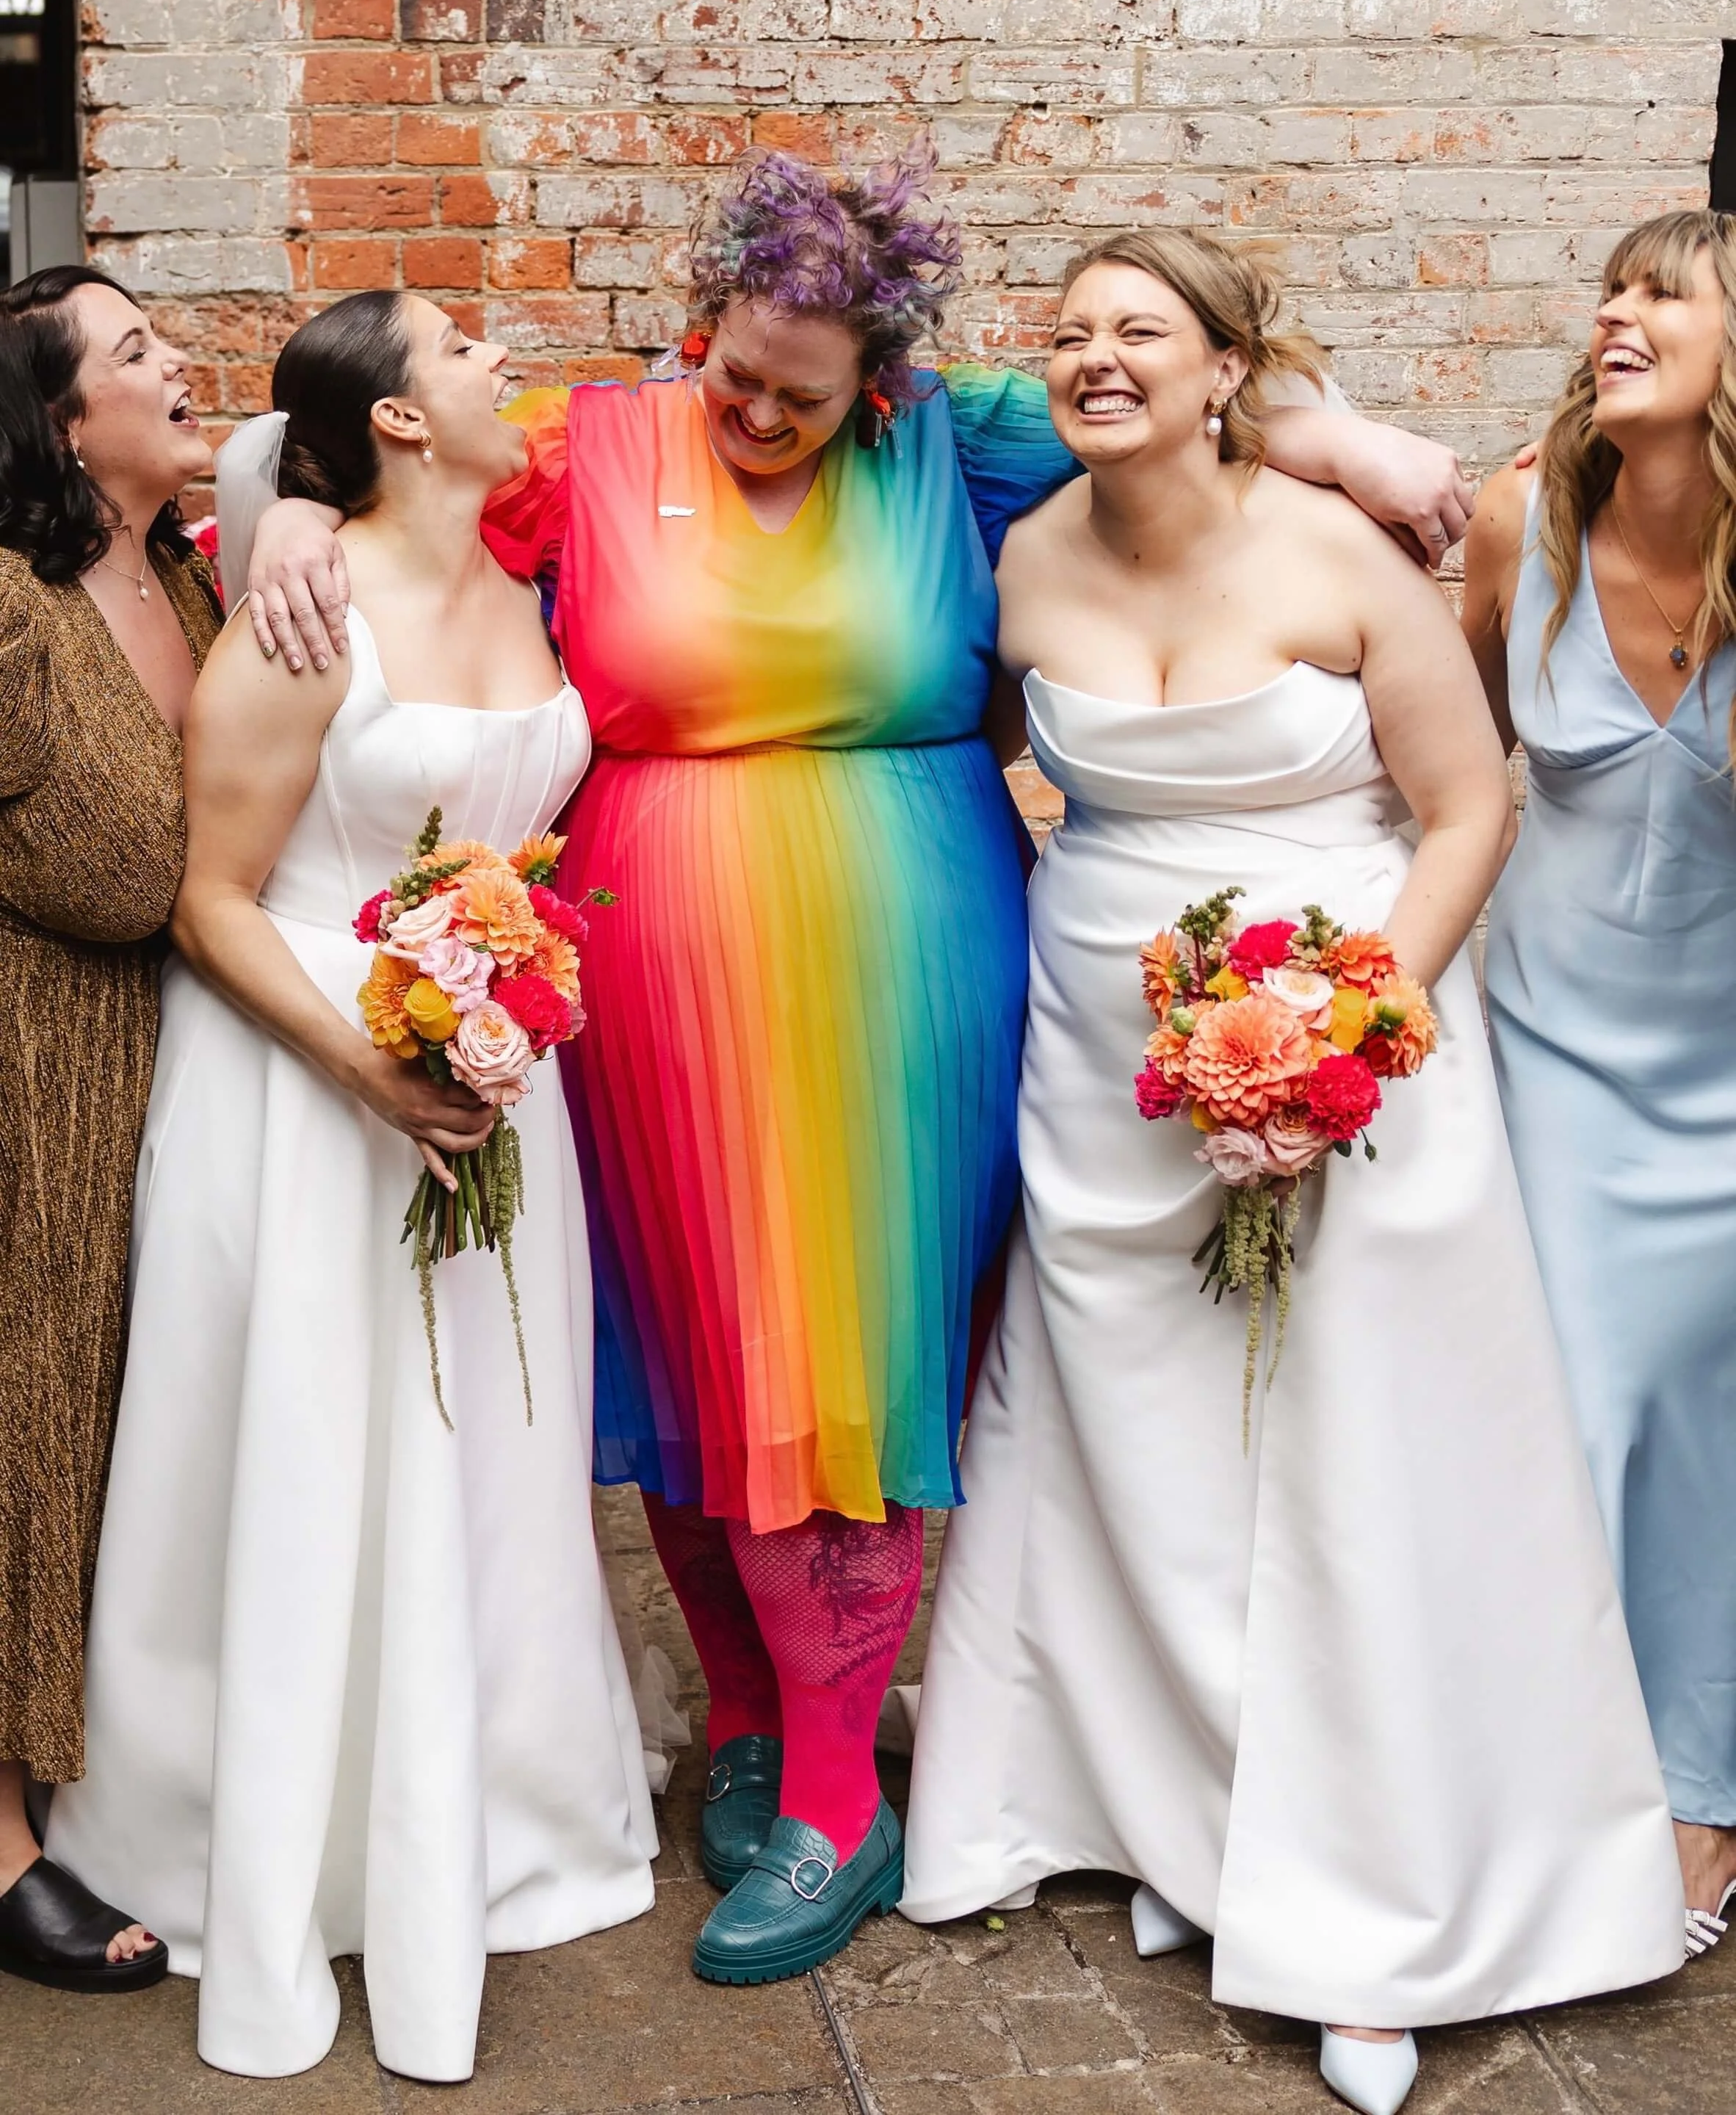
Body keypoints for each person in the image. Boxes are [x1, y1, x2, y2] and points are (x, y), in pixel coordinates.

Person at [246, 145, 1478, 1985]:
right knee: (677, 1342)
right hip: (637, 981)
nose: (753, 409)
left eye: (802, 396)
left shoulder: (959, 441)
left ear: (880, 383)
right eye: (733, 368)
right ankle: (743, 1707)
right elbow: (382, 488)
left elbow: (1169, 393)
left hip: (907, 970)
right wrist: (280, 501)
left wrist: (1358, 439)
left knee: (843, 1349)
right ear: (699, 324)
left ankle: (840, 1781)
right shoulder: (597, 446)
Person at [898, 229, 1684, 2115]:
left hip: (1356, 1041)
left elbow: (1468, 800)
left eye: (1141, 331)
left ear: (1228, 367)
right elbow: (1034, 776)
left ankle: (1382, 1895)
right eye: (1072, 332)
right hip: (1106, 1066)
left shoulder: (1333, 551)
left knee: (1353, 1454)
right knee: (1142, 1441)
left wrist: (1349, 1038)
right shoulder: (1022, 557)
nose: (1099, 359)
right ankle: (1189, 1816)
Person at [45, 291, 657, 2080]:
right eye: (461, 346)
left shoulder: (523, 590)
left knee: (486, 1461)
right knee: (313, 1446)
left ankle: (497, 1807)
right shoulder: (301, 612)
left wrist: (491, 1016)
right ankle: (278, 1835)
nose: (498, 360)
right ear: (394, 420)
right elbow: (210, 894)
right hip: (311, 1077)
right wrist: (367, 1062)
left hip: (486, 1084)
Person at [1464, 208, 1736, 1964]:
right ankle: (1549, 1772)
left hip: (1726, 1072)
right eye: (1616, 287)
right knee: (1573, 1408)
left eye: (1667, 293)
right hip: (1552, 1044)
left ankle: (1701, 1792)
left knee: (1703, 1434)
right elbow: (1478, 751)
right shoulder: (1519, 522)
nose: (1616, 313)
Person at [0, 267, 220, 1993]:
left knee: (107, 1425)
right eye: (138, 352)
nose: (180, 363)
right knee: (19, 1422)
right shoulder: (8, 604)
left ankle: (90, 1770)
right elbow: (113, 862)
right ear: (63, 423)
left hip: (175, 1066)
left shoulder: (198, 574)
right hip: (30, 1064)